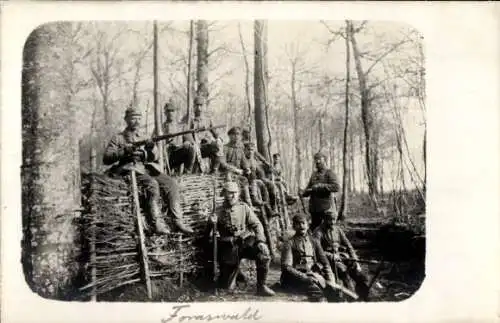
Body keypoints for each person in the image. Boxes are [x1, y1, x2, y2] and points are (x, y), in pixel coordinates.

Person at [103, 106, 194, 235]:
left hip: (145, 167)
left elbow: (156, 156)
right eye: (133, 118)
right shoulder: (118, 138)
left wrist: (148, 151)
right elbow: (106, 158)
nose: (137, 121)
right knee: (152, 185)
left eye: (139, 118)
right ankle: (156, 222)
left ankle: (178, 220)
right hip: (130, 168)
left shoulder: (145, 136)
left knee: (171, 183)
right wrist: (124, 151)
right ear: (126, 119)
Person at [207, 181, 276, 296]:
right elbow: (207, 236)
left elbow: (257, 224)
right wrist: (210, 223)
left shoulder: (244, 208)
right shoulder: (217, 212)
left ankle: (261, 287)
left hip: (244, 244)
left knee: (263, 255)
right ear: (224, 194)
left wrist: (260, 241)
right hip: (229, 249)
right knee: (227, 288)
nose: (234, 196)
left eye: (235, 193)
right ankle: (235, 274)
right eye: (230, 193)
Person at [313, 209, 370, 300]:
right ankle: (351, 297)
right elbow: (316, 250)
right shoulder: (318, 232)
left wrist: (355, 260)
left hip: (341, 256)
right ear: (324, 219)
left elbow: (348, 245)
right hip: (327, 259)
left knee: (358, 272)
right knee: (343, 271)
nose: (332, 222)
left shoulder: (338, 230)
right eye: (329, 219)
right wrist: (331, 256)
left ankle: (364, 295)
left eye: (334, 219)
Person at [280, 213, 338, 302]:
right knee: (316, 292)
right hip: (295, 278)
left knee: (334, 291)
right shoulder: (289, 243)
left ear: (307, 225)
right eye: (298, 223)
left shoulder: (314, 241)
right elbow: (287, 267)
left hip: (313, 274)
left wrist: (331, 280)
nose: (301, 226)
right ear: (294, 226)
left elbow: (325, 262)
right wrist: (304, 277)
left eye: (303, 223)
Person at [300, 152, 340, 232]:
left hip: (326, 209)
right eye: (316, 159)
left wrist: (320, 186)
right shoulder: (313, 175)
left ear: (324, 160)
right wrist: (303, 193)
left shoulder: (329, 173)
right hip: (314, 209)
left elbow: (336, 187)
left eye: (319, 159)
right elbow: (309, 188)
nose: (317, 162)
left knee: (326, 231)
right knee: (315, 231)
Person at [243, 141, 279, 219]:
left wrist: (268, 168)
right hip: (248, 180)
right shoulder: (242, 159)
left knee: (271, 186)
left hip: (256, 179)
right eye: (248, 149)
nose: (250, 151)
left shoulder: (254, 160)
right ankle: (267, 209)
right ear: (244, 150)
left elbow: (259, 170)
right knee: (262, 189)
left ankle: (273, 208)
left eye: (252, 150)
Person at [161, 102, 197, 174]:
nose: (170, 113)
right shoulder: (161, 127)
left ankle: (187, 172)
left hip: (177, 155)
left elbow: (190, 141)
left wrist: (186, 143)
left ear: (176, 112)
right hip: (166, 156)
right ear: (165, 113)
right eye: (168, 111)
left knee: (190, 148)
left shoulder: (182, 126)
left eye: (172, 111)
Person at [223, 126, 253, 206]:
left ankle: (248, 202)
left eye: (238, 134)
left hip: (239, 175)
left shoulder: (240, 149)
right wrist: (235, 170)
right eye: (234, 134)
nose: (237, 136)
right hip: (227, 174)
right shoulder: (225, 148)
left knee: (246, 181)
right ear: (229, 136)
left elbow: (244, 162)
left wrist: (247, 168)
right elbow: (223, 164)